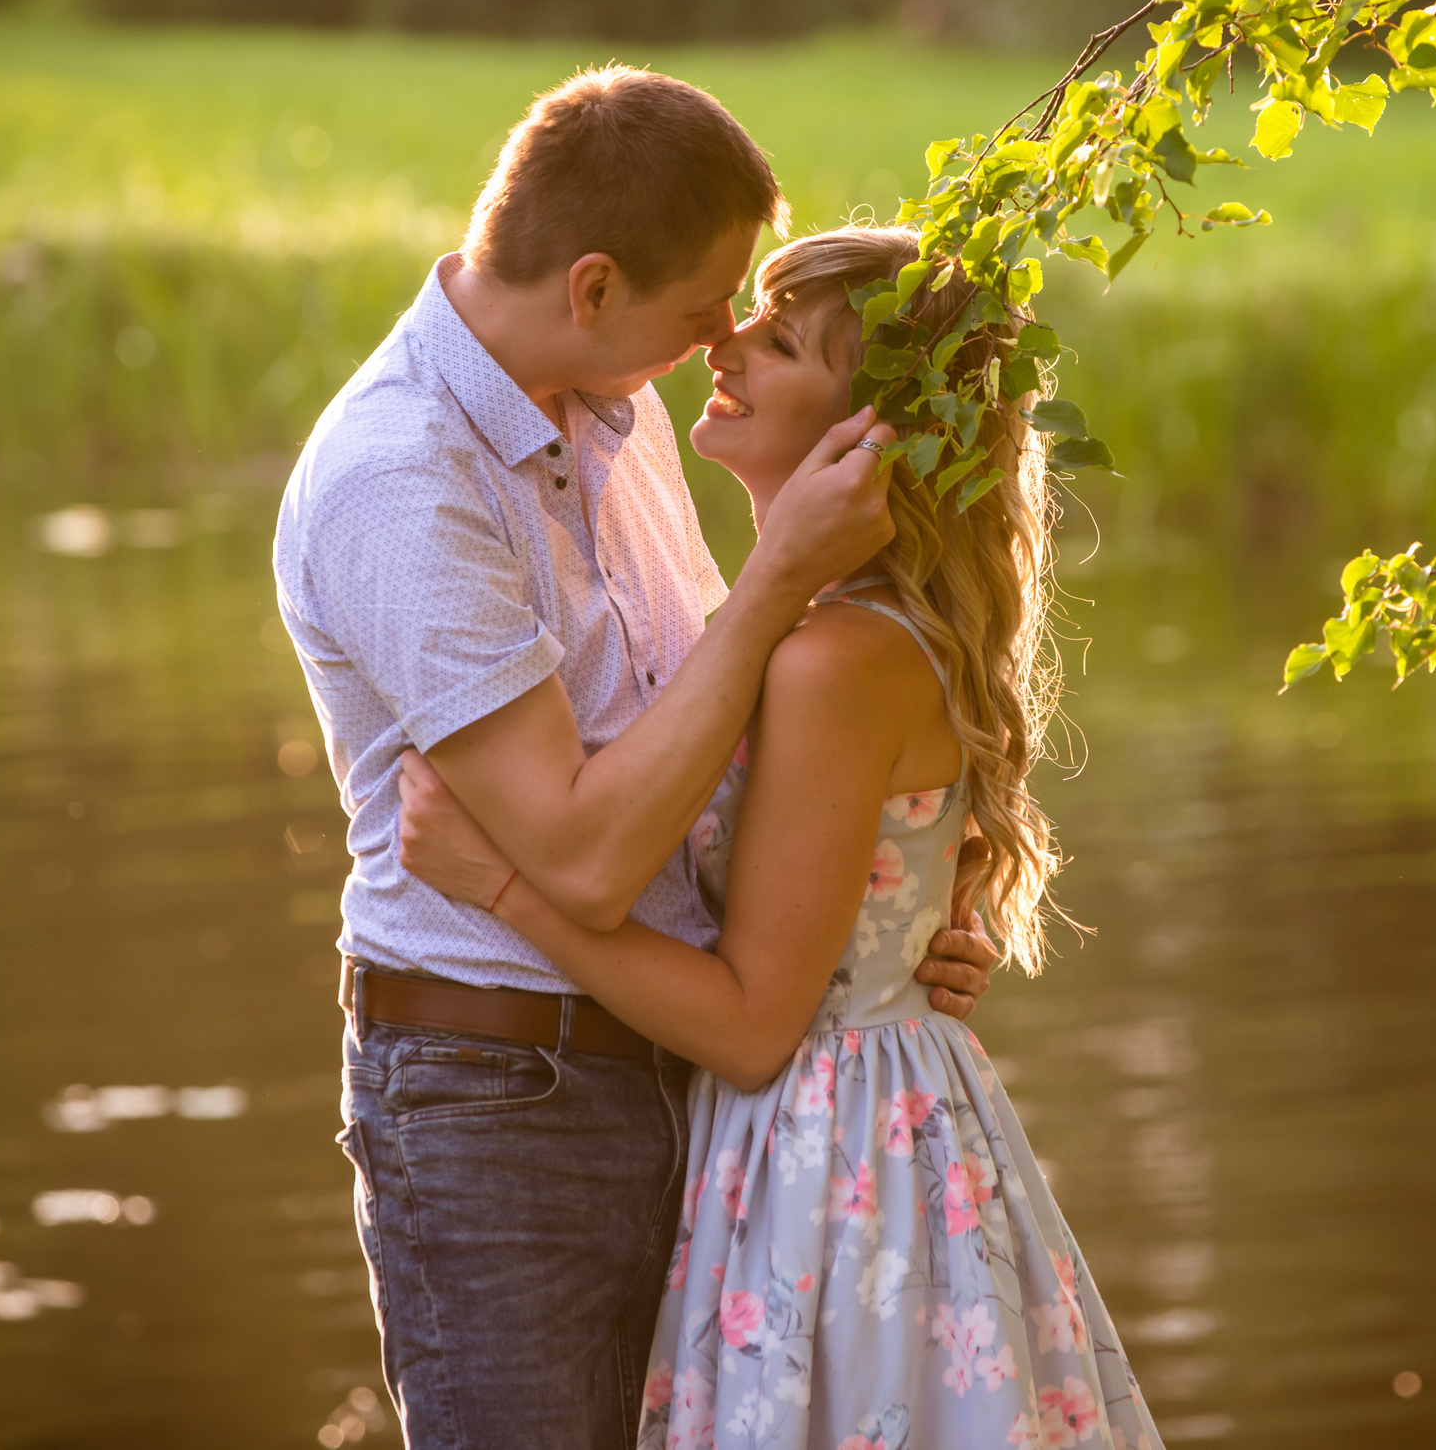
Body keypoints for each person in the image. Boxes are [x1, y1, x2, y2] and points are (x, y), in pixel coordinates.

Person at [271, 68, 1001, 1450]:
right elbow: (592, 854)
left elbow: (722, 742)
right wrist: (778, 572)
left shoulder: (620, 409)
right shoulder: (401, 477)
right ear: (594, 286)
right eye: (703, 308)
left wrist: (889, 929)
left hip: (710, 1086)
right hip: (504, 1108)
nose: (721, 338)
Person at [397, 224, 1163, 1450]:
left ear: (869, 436)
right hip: (843, 1131)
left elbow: (756, 1025)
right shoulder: (814, 632)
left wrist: (499, 882)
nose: (726, 344)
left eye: (783, 339)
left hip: (831, 1156)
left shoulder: (831, 661)